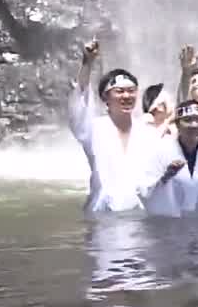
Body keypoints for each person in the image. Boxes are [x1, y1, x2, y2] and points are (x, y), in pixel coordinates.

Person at [68, 40, 160, 213]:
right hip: (103, 215)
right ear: (105, 97)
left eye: (131, 90)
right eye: (119, 91)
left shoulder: (148, 133)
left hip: (140, 218)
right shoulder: (93, 129)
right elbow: (80, 101)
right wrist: (87, 63)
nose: (127, 95)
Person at [139, 101, 198, 217]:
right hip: (168, 224)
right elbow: (144, 190)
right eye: (188, 120)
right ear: (177, 124)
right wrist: (166, 177)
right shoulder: (160, 150)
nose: (194, 125)